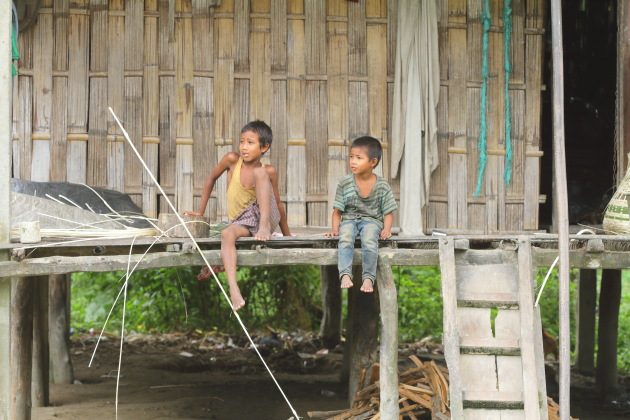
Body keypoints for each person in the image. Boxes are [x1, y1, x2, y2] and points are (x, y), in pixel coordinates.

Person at [183, 121, 291, 311]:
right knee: (226, 234)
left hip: (264, 217)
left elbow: (279, 204)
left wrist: (287, 236)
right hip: (243, 221)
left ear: (264, 147)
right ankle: (234, 290)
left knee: (261, 172)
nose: (244, 147)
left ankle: (264, 226)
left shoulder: (268, 170)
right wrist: (200, 211)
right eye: (242, 141)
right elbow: (210, 179)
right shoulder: (232, 160)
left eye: (250, 142)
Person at [325, 136, 397, 293]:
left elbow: (388, 212)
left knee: (370, 239)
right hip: (349, 220)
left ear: (373, 162)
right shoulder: (345, 182)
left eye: (359, 158)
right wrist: (335, 229)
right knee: (345, 237)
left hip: (372, 221)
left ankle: (368, 278)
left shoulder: (382, 185)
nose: (353, 161)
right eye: (351, 157)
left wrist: (386, 229)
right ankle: (344, 274)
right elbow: (337, 212)